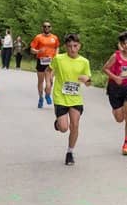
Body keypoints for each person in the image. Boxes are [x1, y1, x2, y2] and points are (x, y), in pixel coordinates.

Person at [50, 33, 92, 166]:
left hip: (75, 98)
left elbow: (88, 82)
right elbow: (49, 70)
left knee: (75, 125)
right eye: (69, 46)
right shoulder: (58, 59)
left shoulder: (84, 62)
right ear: (65, 47)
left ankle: (70, 152)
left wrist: (87, 80)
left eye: (75, 46)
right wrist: (48, 82)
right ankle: (58, 124)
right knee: (64, 128)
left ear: (79, 46)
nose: (72, 49)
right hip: (60, 97)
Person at [30, 21, 60, 109]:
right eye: (45, 26)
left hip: (51, 61)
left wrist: (57, 55)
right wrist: (38, 51)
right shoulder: (38, 37)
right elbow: (32, 49)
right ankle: (40, 98)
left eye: (48, 26)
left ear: (51, 28)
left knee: (50, 80)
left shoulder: (54, 37)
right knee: (41, 81)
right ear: (42, 28)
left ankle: (47, 94)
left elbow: (57, 47)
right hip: (41, 61)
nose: (46, 28)